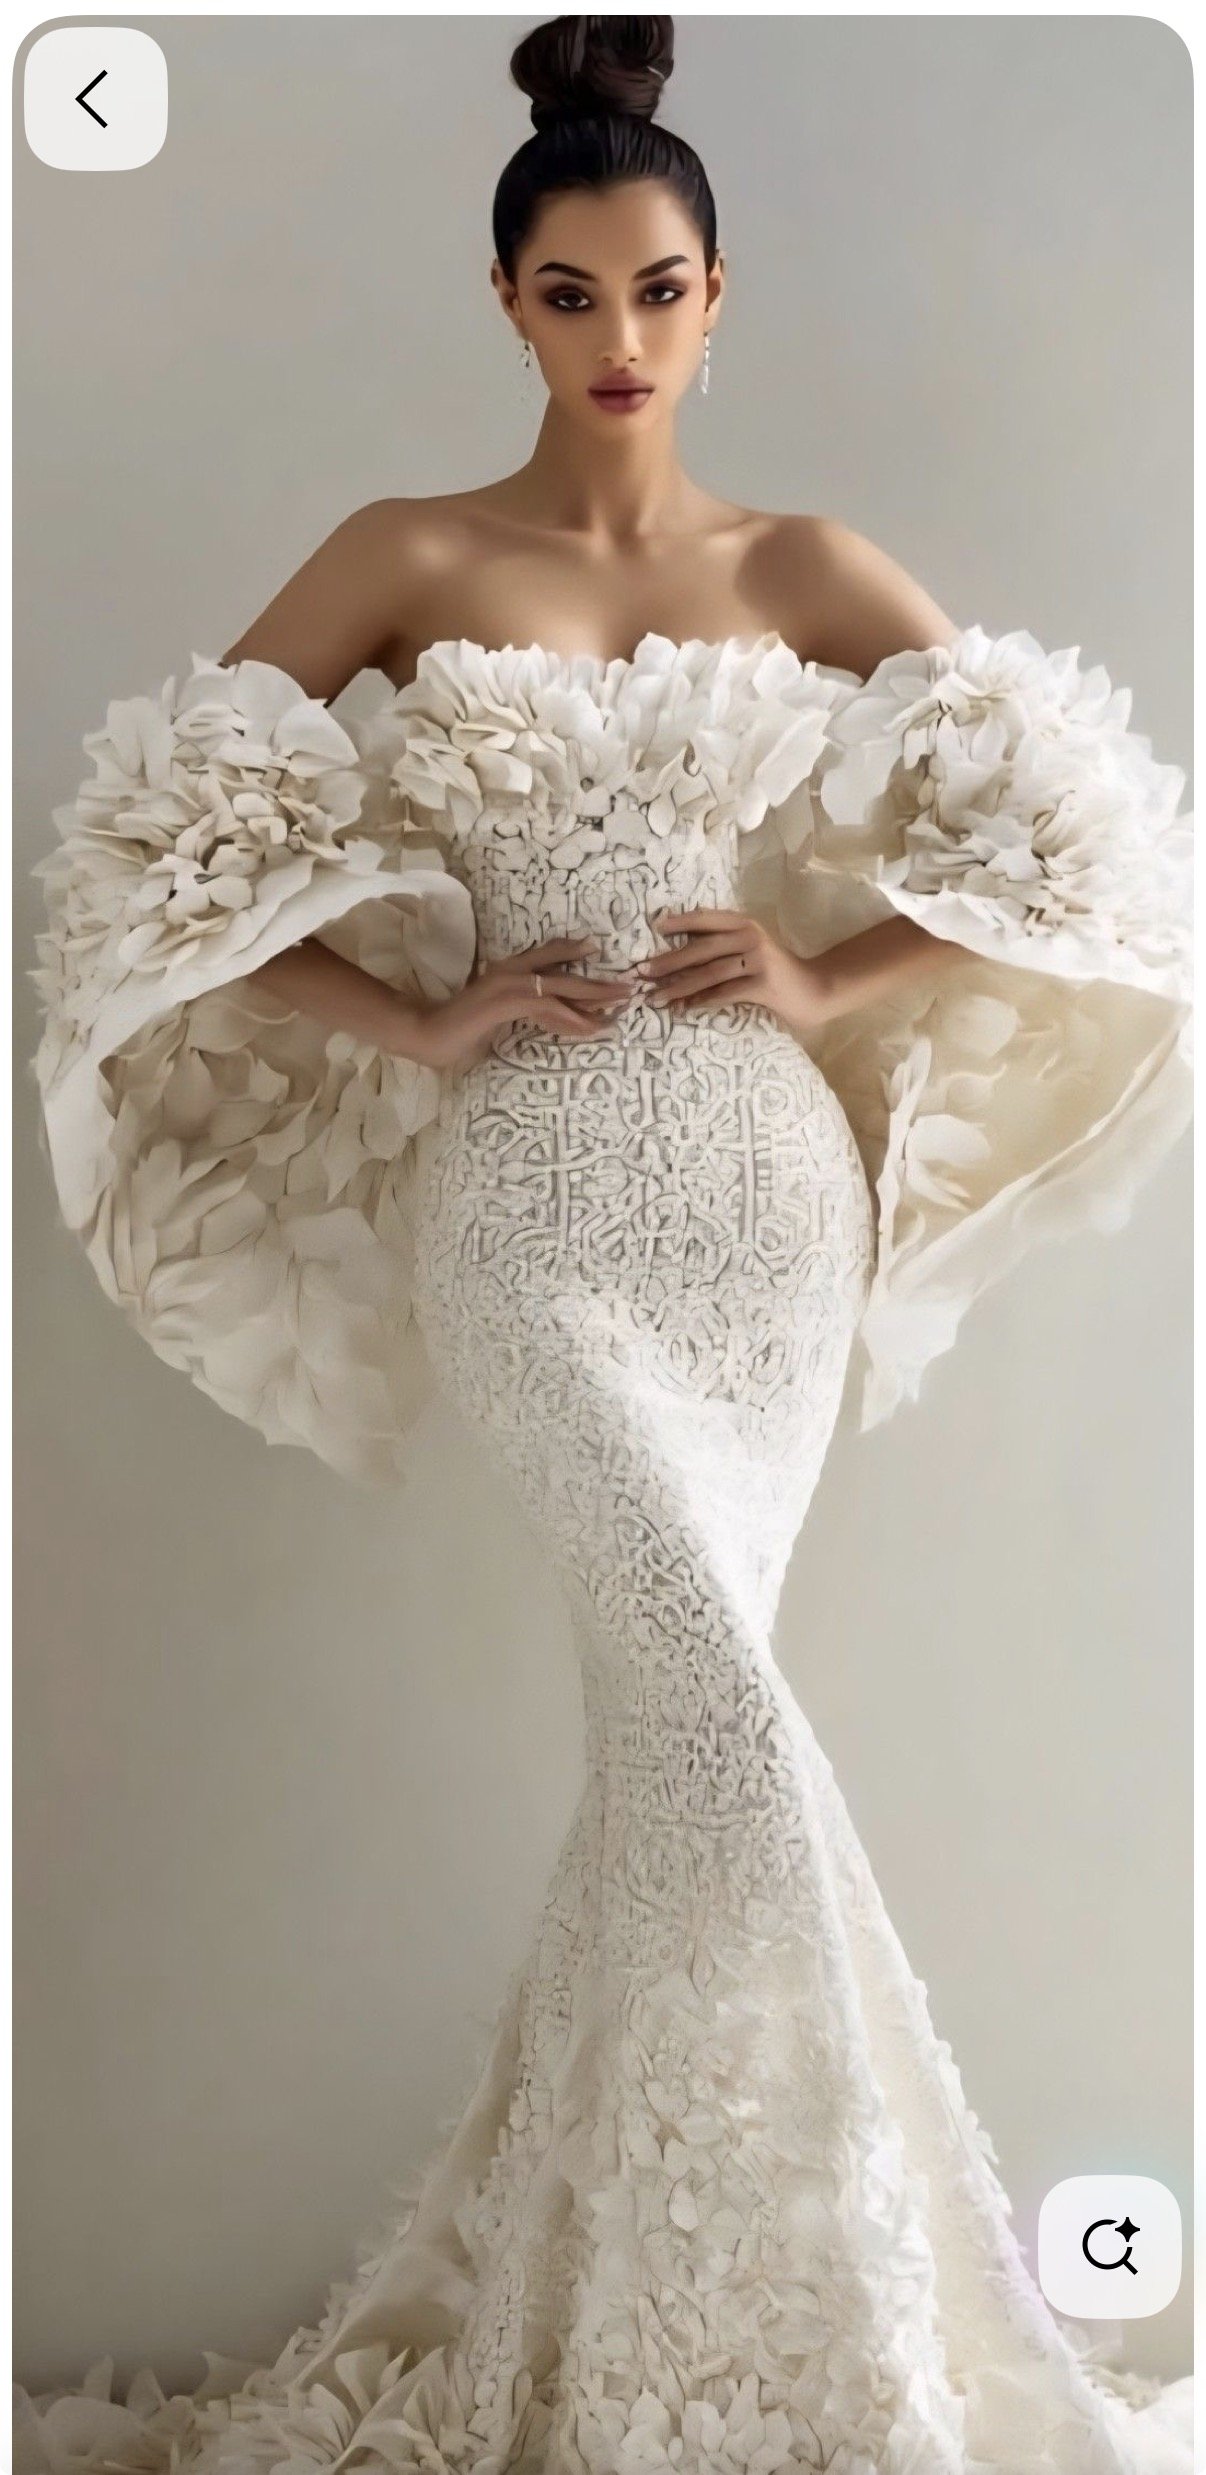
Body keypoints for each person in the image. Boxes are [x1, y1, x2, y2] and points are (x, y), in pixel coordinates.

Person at [19, 16, 1193, 2473]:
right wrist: (417, 1017)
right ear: (508, 302)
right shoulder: (410, 554)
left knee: (676, 1758)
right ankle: (829, 2311)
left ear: (718, 293)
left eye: (659, 290)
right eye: (571, 294)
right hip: (533, 1203)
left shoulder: (807, 569)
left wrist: (832, 972)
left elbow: (1094, 849)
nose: (621, 337)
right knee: (719, 1731)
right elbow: (141, 864)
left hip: (764, 1205)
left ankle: (630, 2307)